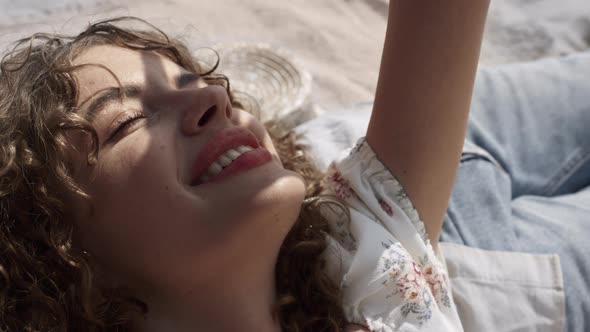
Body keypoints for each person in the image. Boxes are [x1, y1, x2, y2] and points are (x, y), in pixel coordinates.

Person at [0, 1, 586, 331]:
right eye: (127, 121)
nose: (216, 99)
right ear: (66, 260)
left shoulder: (324, 231)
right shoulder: (371, 308)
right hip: (474, 266)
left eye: (197, 80)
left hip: (360, 157)